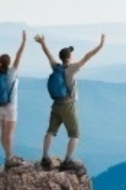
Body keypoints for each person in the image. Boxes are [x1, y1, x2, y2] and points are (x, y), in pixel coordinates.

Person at [34, 33, 105, 170]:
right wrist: (100, 45)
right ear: (69, 57)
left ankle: (45, 157)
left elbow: (48, 54)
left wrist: (43, 43)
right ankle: (67, 161)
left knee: (50, 131)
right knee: (75, 134)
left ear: (61, 57)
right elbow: (87, 56)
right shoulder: (72, 69)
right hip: (68, 105)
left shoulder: (56, 67)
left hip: (56, 105)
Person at [0, 30, 27, 170]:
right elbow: (19, 55)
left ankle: (7, 155)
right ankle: (9, 158)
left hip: (0, 107)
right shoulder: (12, 71)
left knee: (3, 133)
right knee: (9, 134)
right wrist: (23, 41)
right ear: (9, 62)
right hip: (11, 108)